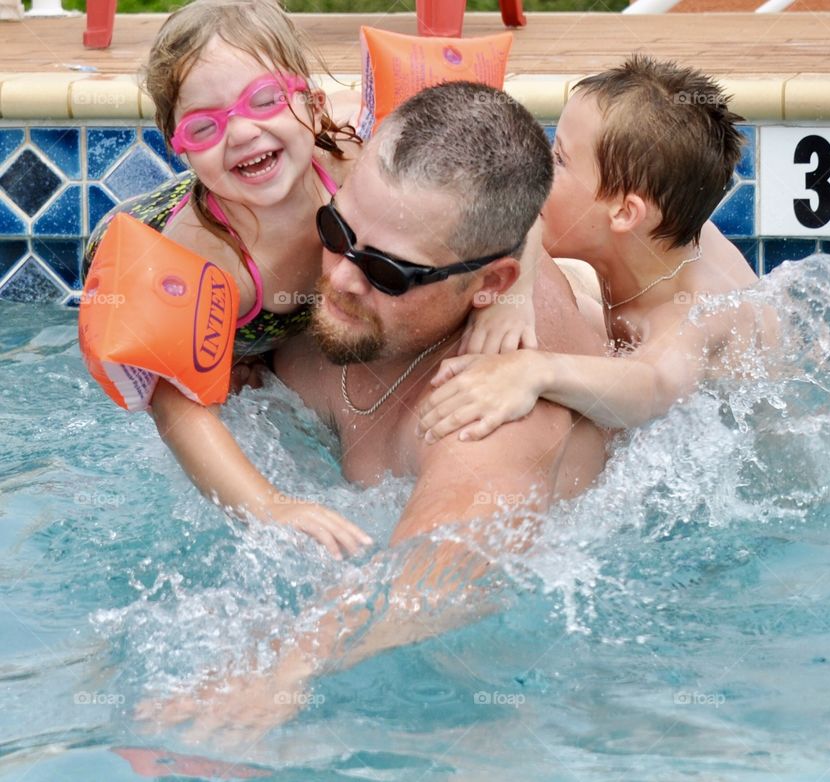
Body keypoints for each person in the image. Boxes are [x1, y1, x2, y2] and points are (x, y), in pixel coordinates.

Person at [140, 81, 609, 738]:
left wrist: (284, 667)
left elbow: (448, 565)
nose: (340, 278)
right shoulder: (342, 229)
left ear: (491, 285)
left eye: (389, 272)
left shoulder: (490, 407)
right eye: (335, 230)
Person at [85, 0, 535, 558]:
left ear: (313, 104)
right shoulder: (203, 259)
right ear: (177, 147)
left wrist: (515, 297)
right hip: (146, 259)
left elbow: (509, 191)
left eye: (265, 100)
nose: (242, 132)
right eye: (204, 126)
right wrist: (269, 505)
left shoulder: (349, 165)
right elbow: (175, 404)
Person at [416, 55, 774, 442]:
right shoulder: (661, 226)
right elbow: (526, 211)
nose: (538, 168)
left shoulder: (690, 314)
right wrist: (514, 295)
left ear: (623, 212)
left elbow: (654, 387)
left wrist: (534, 371)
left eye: (559, 159)